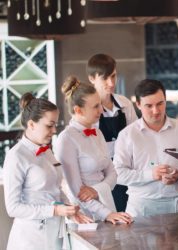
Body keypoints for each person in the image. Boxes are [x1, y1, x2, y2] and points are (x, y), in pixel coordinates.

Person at [3, 93, 91, 250]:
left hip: (54, 235)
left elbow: (54, 190)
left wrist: (69, 209)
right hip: (30, 239)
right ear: (31, 124)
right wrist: (55, 210)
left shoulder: (47, 151)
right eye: (49, 125)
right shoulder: (16, 156)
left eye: (55, 125)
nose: (54, 130)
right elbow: (13, 208)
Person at [113, 79, 178, 217]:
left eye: (160, 104)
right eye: (149, 106)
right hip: (140, 207)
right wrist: (151, 174)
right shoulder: (127, 135)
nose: (156, 111)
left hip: (177, 205)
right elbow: (118, 174)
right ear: (138, 104)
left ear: (165, 101)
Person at [55, 76, 132, 224]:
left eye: (100, 104)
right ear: (78, 110)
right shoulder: (66, 139)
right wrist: (107, 214)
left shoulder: (98, 133)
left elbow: (113, 173)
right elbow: (77, 192)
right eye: (95, 106)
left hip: (107, 206)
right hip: (83, 217)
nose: (102, 109)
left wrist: (97, 190)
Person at [87, 53, 138, 212]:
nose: (111, 83)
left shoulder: (124, 104)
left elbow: (137, 135)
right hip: (101, 176)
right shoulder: (87, 110)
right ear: (91, 79)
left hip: (127, 172)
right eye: (105, 78)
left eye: (113, 76)